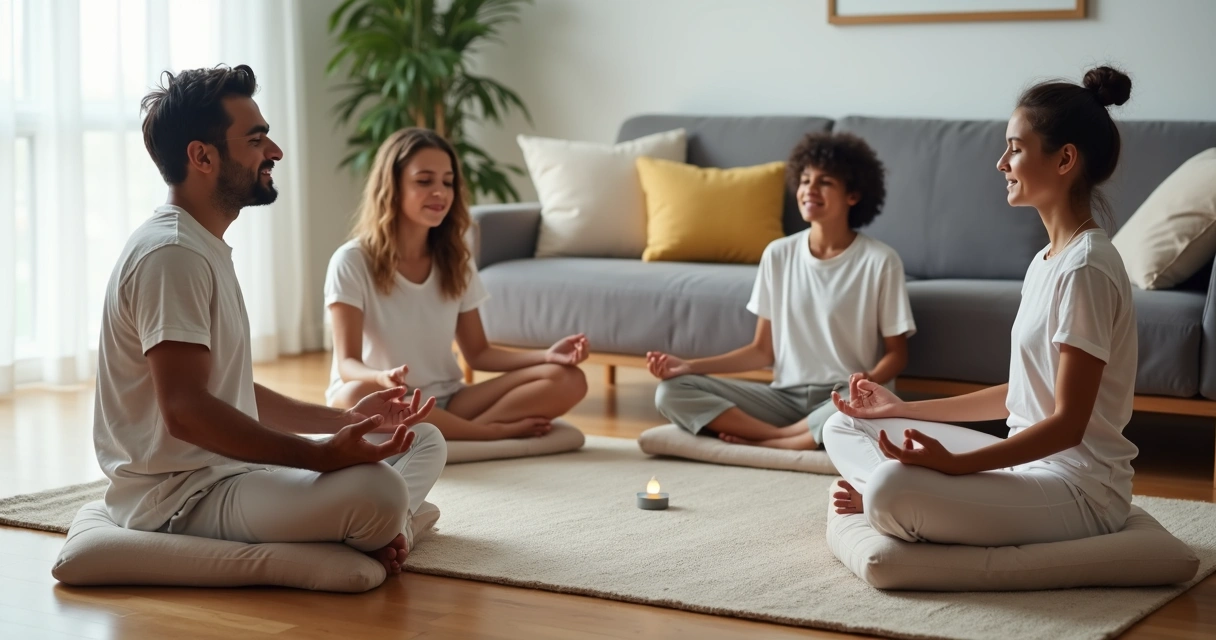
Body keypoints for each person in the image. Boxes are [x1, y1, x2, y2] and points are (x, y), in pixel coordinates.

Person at [94, 64, 444, 577]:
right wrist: (320, 458)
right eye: (256, 139)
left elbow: (232, 394)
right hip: (179, 499)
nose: (274, 152)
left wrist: (347, 423)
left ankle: (387, 529)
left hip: (231, 472)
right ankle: (388, 524)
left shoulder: (200, 245)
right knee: (380, 490)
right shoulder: (172, 254)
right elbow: (186, 411)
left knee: (424, 440)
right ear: (202, 156)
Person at [825, 66, 1138, 547]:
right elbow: (1024, 394)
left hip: (1078, 490)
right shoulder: (1047, 261)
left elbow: (1070, 425)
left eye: (1015, 148)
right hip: (1023, 464)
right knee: (845, 424)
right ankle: (903, 502)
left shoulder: (1086, 268)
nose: (1001, 163)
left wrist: (956, 466)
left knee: (890, 484)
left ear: (1064, 159)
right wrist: (905, 408)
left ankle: (893, 501)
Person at [647, 132, 915, 451]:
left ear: (853, 195)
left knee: (873, 405)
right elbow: (762, 351)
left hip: (844, 394)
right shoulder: (778, 254)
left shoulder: (880, 261)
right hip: (783, 398)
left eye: (824, 182)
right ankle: (784, 437)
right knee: (671, 391)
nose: (809, 190)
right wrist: (688, 366)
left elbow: (897, 354)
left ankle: (776, 438)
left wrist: (865, 384)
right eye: (804, 181)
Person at [324, 127, 589, 441]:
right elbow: (348, 364)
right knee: (355, 393)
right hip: (382, 398)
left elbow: (477, 353)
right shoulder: (352, 261)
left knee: (570, 379)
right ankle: (485, 434)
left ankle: (461, 433)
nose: (440, 192)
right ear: (392, 186)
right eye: (424, 181)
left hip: (447, 400)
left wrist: (546, 356)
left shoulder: (456, 260)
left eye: (447, 182)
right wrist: (380, 377)